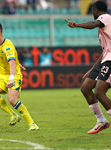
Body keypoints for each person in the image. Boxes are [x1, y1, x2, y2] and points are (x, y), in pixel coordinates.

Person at [65, 0, 111, 134]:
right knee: (85, 88)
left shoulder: (105, 18)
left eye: (92, 11)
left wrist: (76, 24)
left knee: (99, 93)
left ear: (95, 11)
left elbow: (93, 23)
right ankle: (101, 121)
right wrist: (93, 68)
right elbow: (105, 51)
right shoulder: (105, 26)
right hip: (105, 60)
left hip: (110, 62)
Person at [0, 21, 39, 131]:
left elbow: (11, 62)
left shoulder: (8, 46)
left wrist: (11, 78)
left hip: (13, 76)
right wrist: (18, 63)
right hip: (1, 75)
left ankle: (32, 124)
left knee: (12, 100)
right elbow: (9, 59)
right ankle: (13, 115)